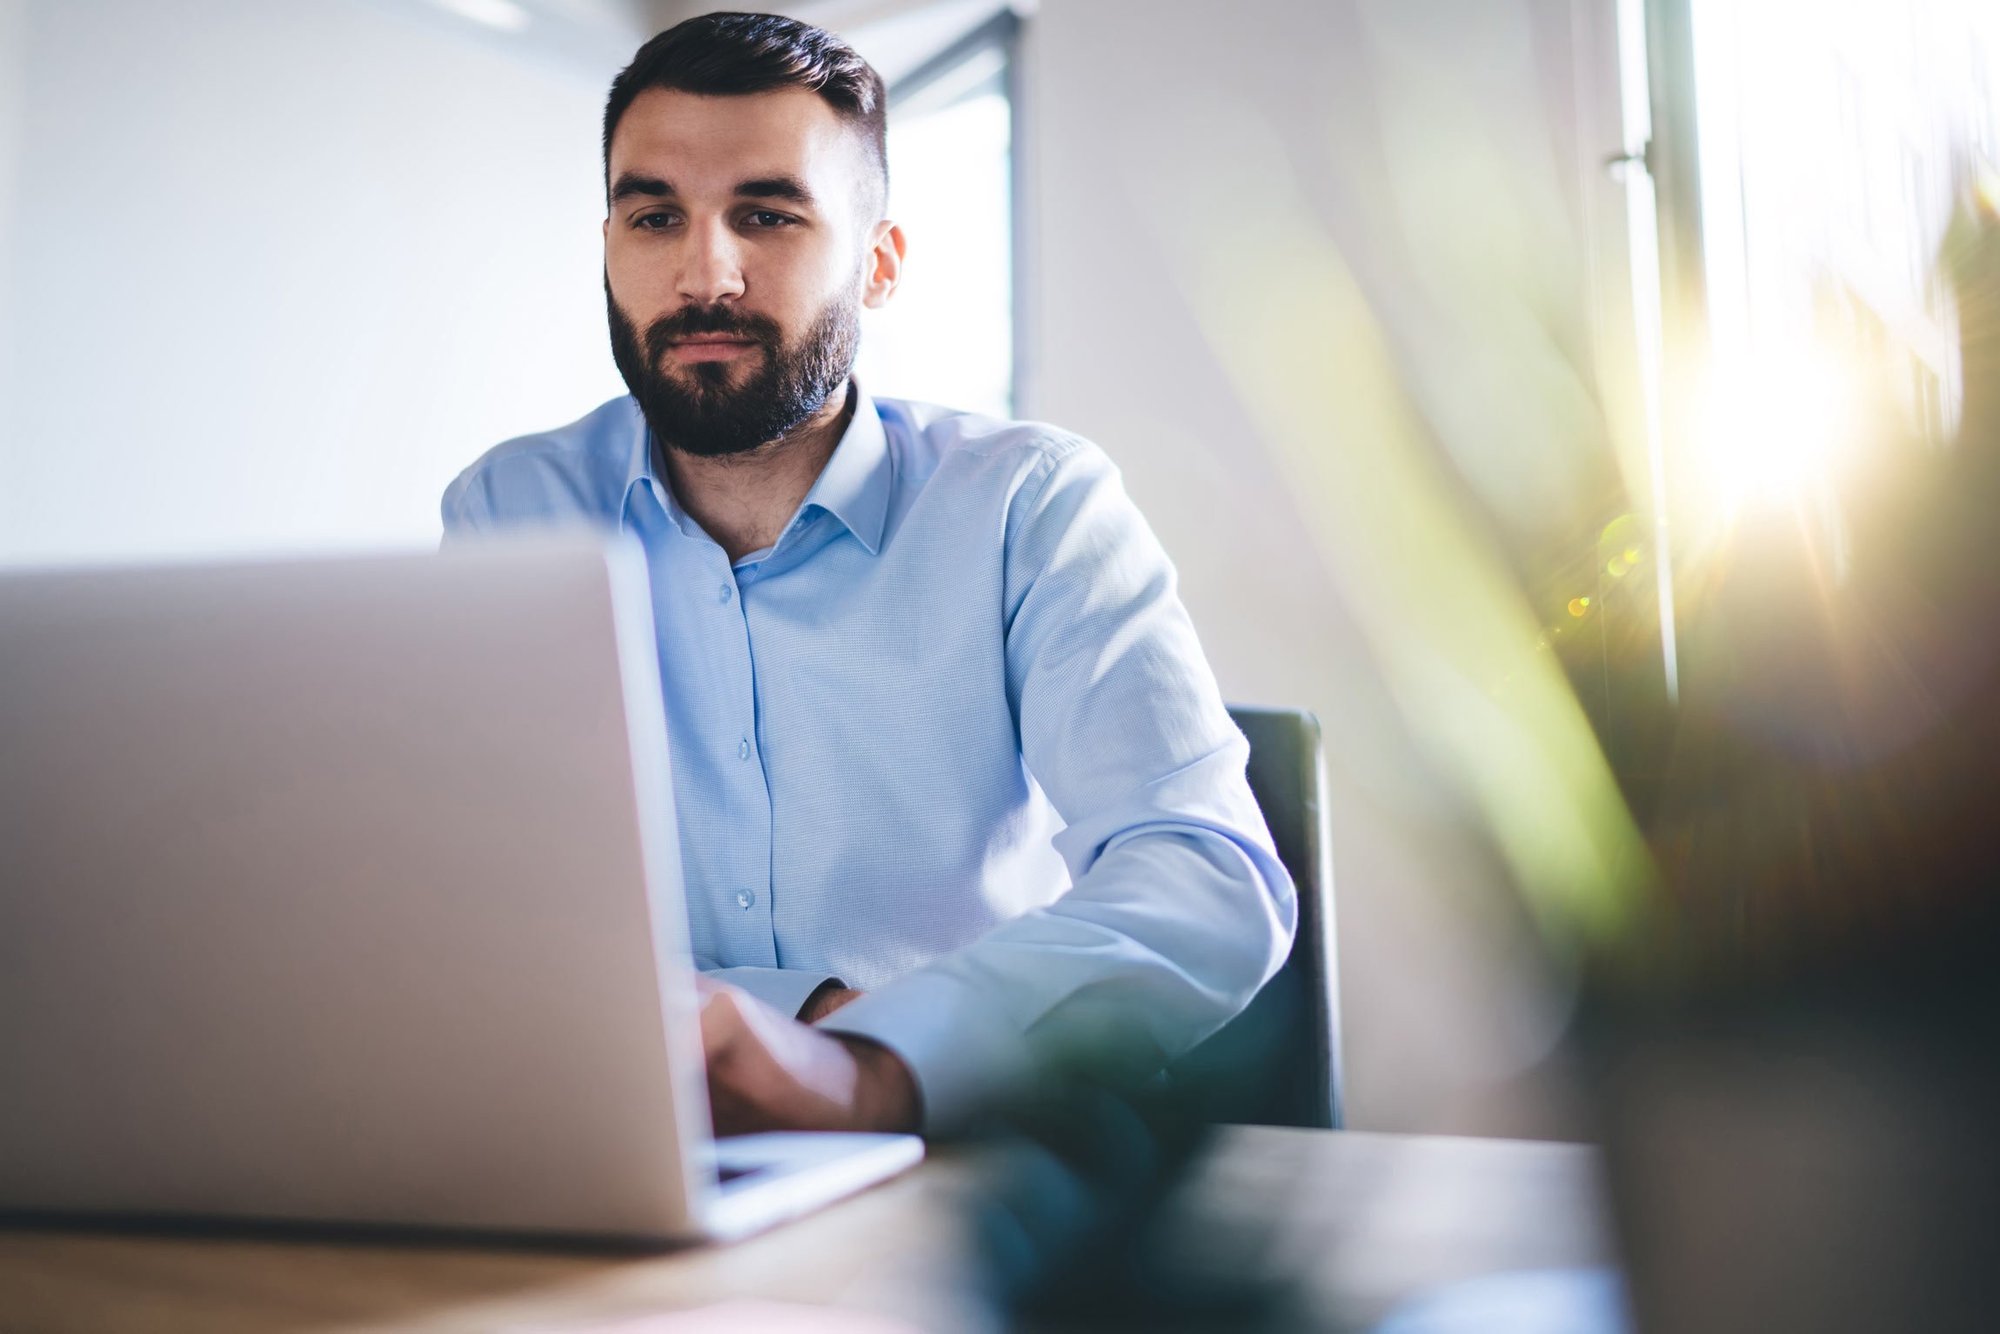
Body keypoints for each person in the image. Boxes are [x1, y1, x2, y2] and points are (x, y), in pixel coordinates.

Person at [441, 11, 1295, 1137]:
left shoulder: (1028, 504)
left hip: (959, 1148)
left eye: (767, 213)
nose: (705, 273)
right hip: (616, 1140)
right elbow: (493, 903)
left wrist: (882, 1058)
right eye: (654, 215)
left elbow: (1206, 878)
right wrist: (810, 1014)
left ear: (878, 263)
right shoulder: (512, 512)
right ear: (607, 247)